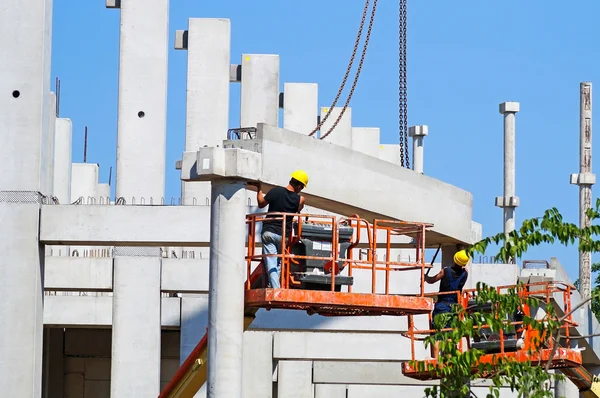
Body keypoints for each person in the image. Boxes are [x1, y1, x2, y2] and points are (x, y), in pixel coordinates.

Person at [254, 170, 308, 288]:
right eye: (302, 187)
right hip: (284, 235)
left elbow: (261, 203)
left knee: (272, 261)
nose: (301, 189)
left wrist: (259, 189)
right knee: (278, 262)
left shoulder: (275, 191)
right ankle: (275, 287)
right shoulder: (300, 199)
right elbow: (299, 211)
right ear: (299, 186)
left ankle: (274, 287)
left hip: (269, 232)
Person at [424, 249, 470, 359]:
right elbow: (464, 270)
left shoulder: (445, 271)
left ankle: (435, 359)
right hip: (454, 308)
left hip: (442, 306)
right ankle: (449, 358)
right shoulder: (465, 274)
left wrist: (425, 277)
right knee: (449, 334)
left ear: (455, 259)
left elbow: (432, 280)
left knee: (437, 335)